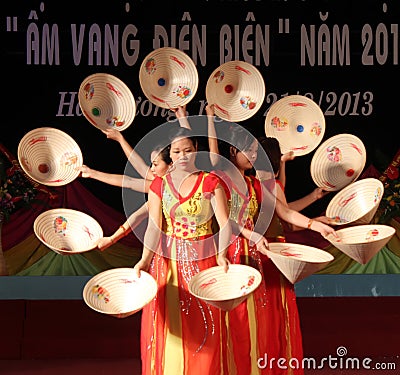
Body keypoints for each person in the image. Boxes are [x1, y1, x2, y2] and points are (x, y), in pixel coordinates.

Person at [206, 103, 337, 375]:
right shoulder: (221, 179)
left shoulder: (257, 185)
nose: (255, 155)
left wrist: (315, 226)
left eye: (256, 151)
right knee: (236, 317)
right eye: (249, 151)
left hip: (255, 253)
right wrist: (209, 119)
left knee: (258, 316)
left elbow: (285, 211)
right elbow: (214, 157)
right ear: (233, 151)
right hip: (229, 253)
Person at [133, 126, 232, 375]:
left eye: (188, 150)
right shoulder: (160, 185)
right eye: (177, 152)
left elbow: (224, 223)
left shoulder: (210, 182)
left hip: (204, 258)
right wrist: (145, 259)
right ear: (170, 154)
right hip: (169, 263)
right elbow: (154, 228)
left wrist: (221, 255)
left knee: (205, 325)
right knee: (173, 326)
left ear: (196, 150)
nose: (183, 156)